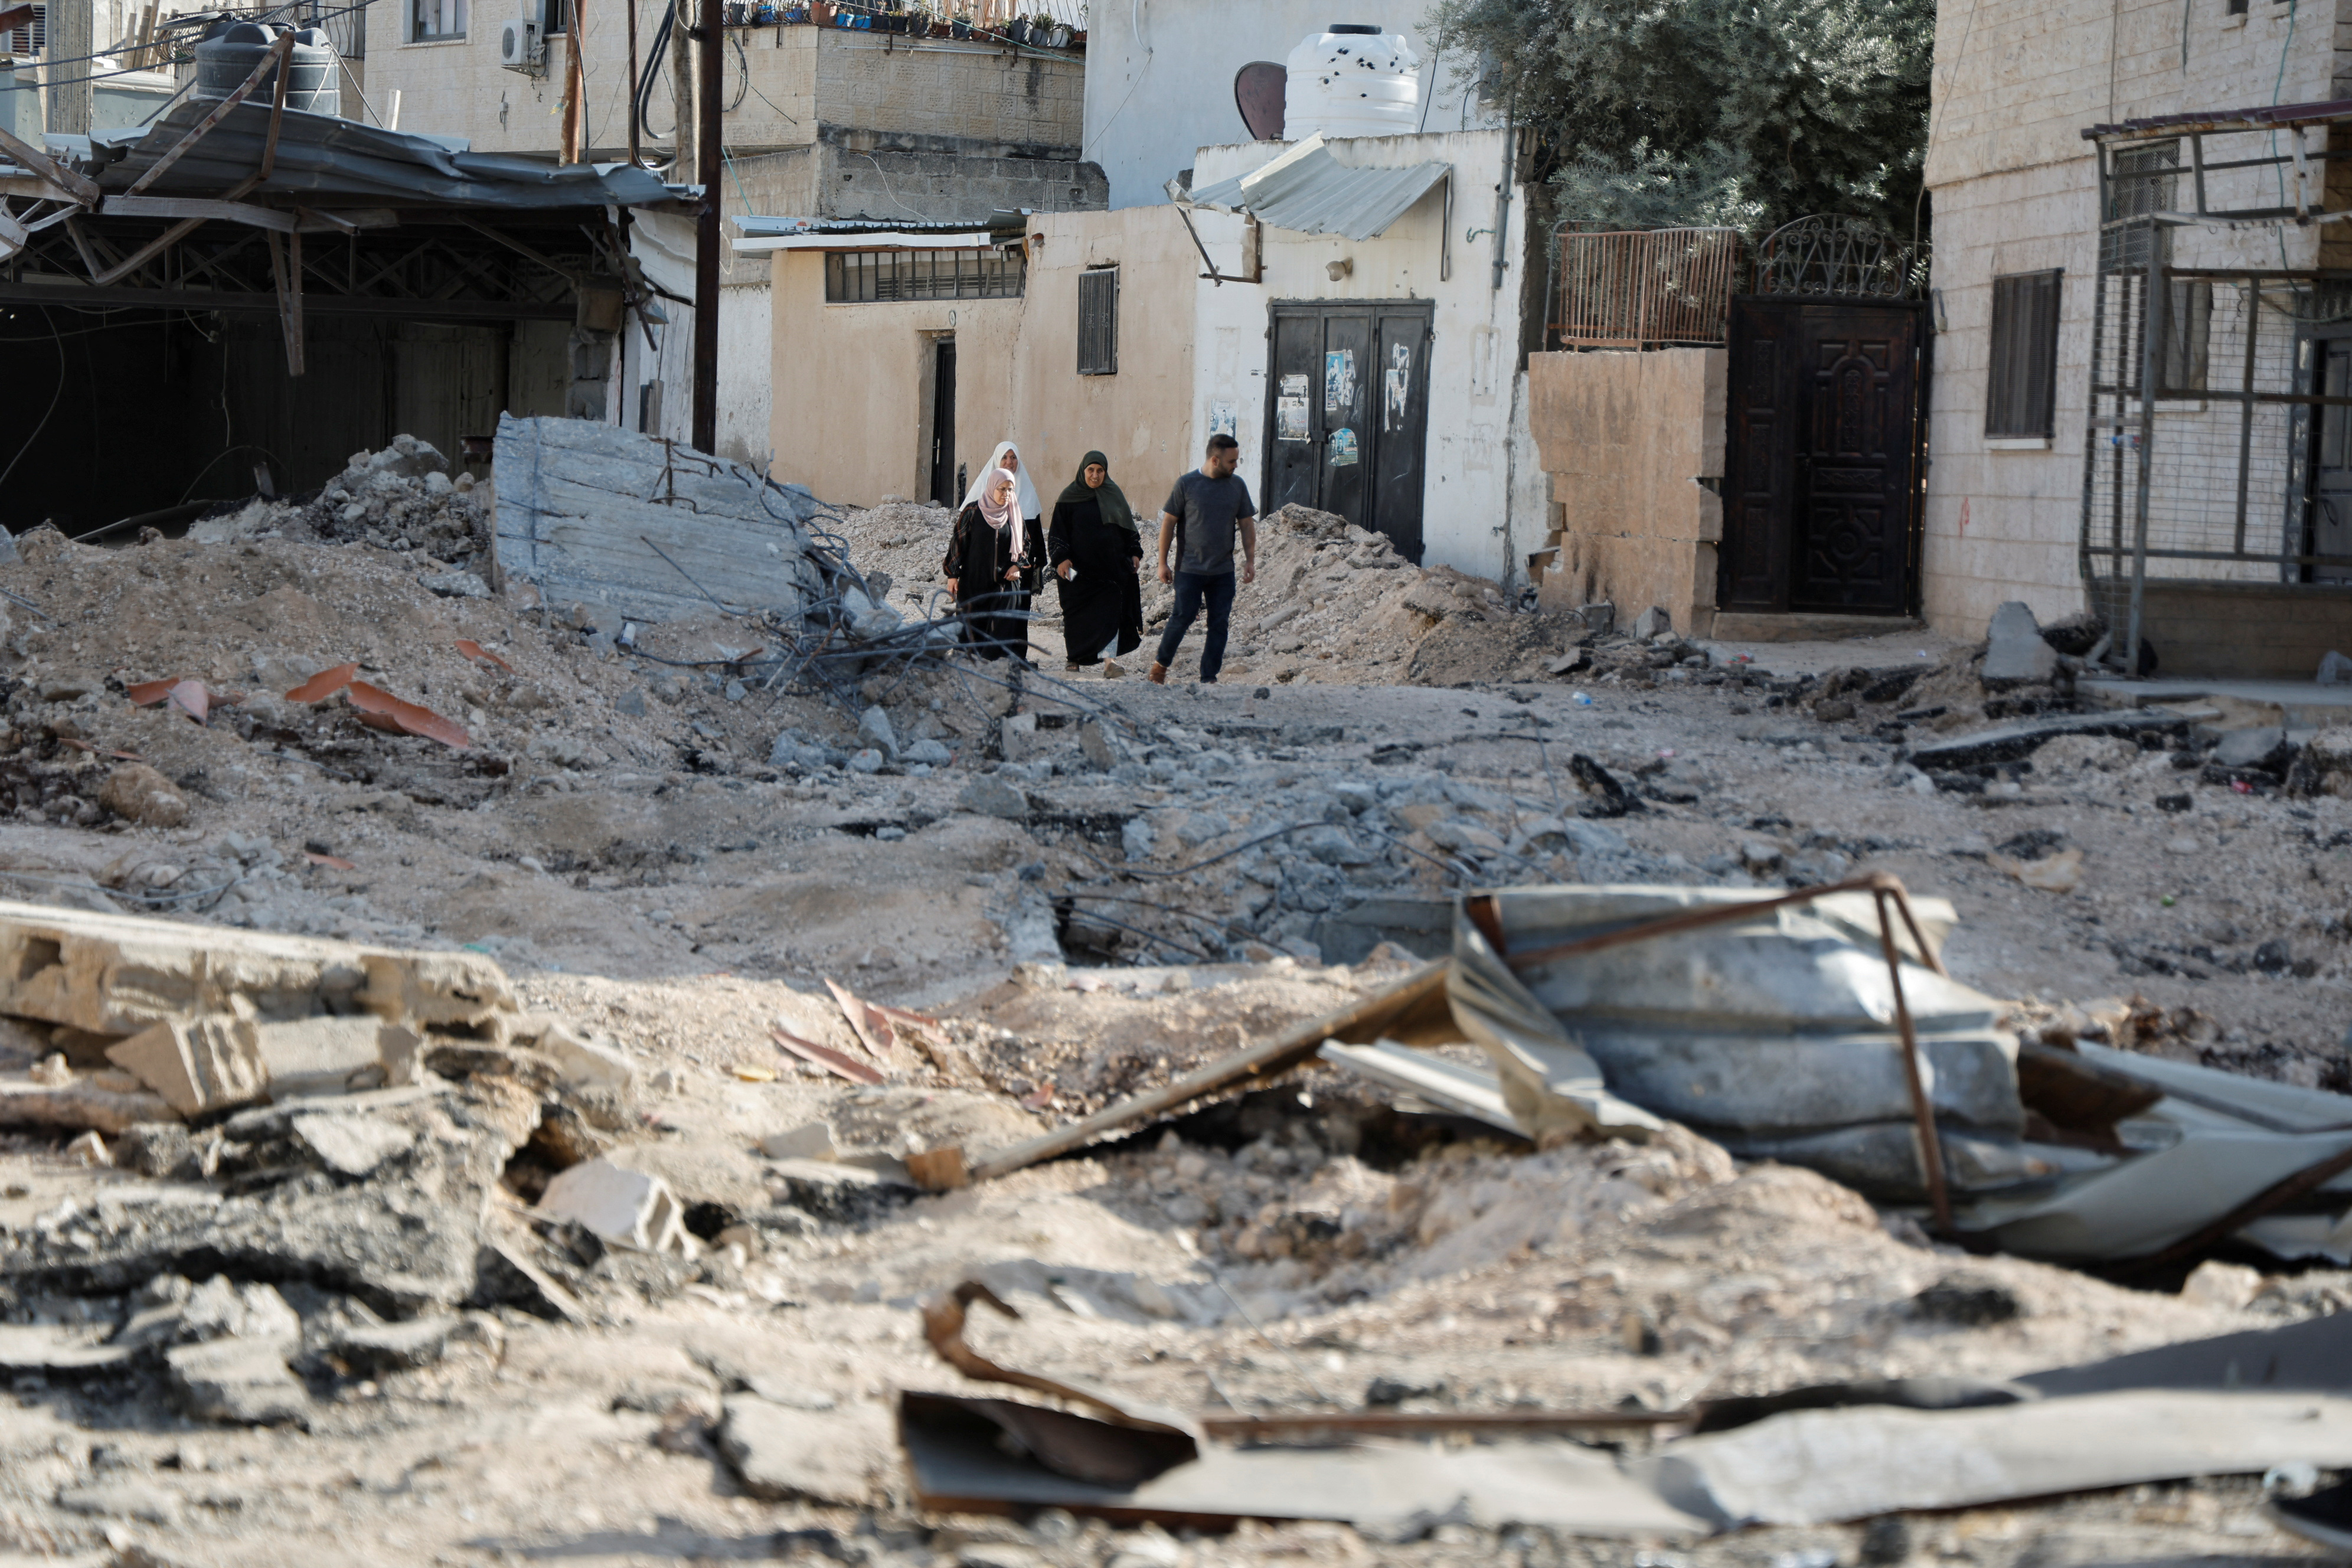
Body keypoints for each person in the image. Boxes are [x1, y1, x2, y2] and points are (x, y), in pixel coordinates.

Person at [1148, 433, 1256, 685]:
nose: (1236, 466)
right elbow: (1168, 524)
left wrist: (1250, 560)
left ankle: (1209, 677)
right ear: (1215, 461)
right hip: (1190, 569)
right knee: (1182, 617)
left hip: (1223, 571)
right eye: (1232, 462)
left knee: (1219, 624)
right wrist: (1162, 562)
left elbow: (1247, 524)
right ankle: (1160, 666)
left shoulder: (1237, 486)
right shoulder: (1186, 484)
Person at [1047, 450, 1144, 670]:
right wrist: (1061, 559)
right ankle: (1075, 659)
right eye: (1091, 470)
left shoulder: (1114, 495)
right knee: (1077, 616)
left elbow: (1128, 530)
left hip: (1109, 572)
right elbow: (1057, 534)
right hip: (1077, 573)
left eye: (1100, 471)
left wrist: (1135, 553)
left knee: (1110, 616)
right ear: (1083, 471)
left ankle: (1110, 663)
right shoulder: (1068, 498)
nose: (1095, 475)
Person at [943, 466, 1035, 662]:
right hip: (974, 583)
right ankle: (965, 673)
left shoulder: (1014, 514)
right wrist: (952, 574)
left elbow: (1026, 543)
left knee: (1001, 633)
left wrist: (1018, 566)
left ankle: (994, 674)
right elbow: (958, 542)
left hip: (1005, 585)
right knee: (970, 630)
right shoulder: (973, 511)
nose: (1007, 494)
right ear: (992, 487)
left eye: (1010, 489)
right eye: (1002, 489)